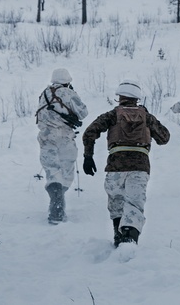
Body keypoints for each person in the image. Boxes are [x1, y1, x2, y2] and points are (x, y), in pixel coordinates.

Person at [82, 80, 170, 246]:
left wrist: (88, 156)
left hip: (116, 165)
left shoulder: (112, 115)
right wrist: (148, 123)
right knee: (134, 205)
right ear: (137, 98)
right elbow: (164, 138)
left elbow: (90, 132)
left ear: (120, 97)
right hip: (140, 166)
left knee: (116, 202)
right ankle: (129, 240)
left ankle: (118, 235)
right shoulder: (147, 117)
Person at [35, 68, 88, 224]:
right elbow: (83, 112)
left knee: (52, 172)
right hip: (64, 137)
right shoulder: (69, 93)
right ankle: (58, 207)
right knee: (66, 172)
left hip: (46, 137)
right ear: (68, 81)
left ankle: (56, 206)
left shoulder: (44, 94)